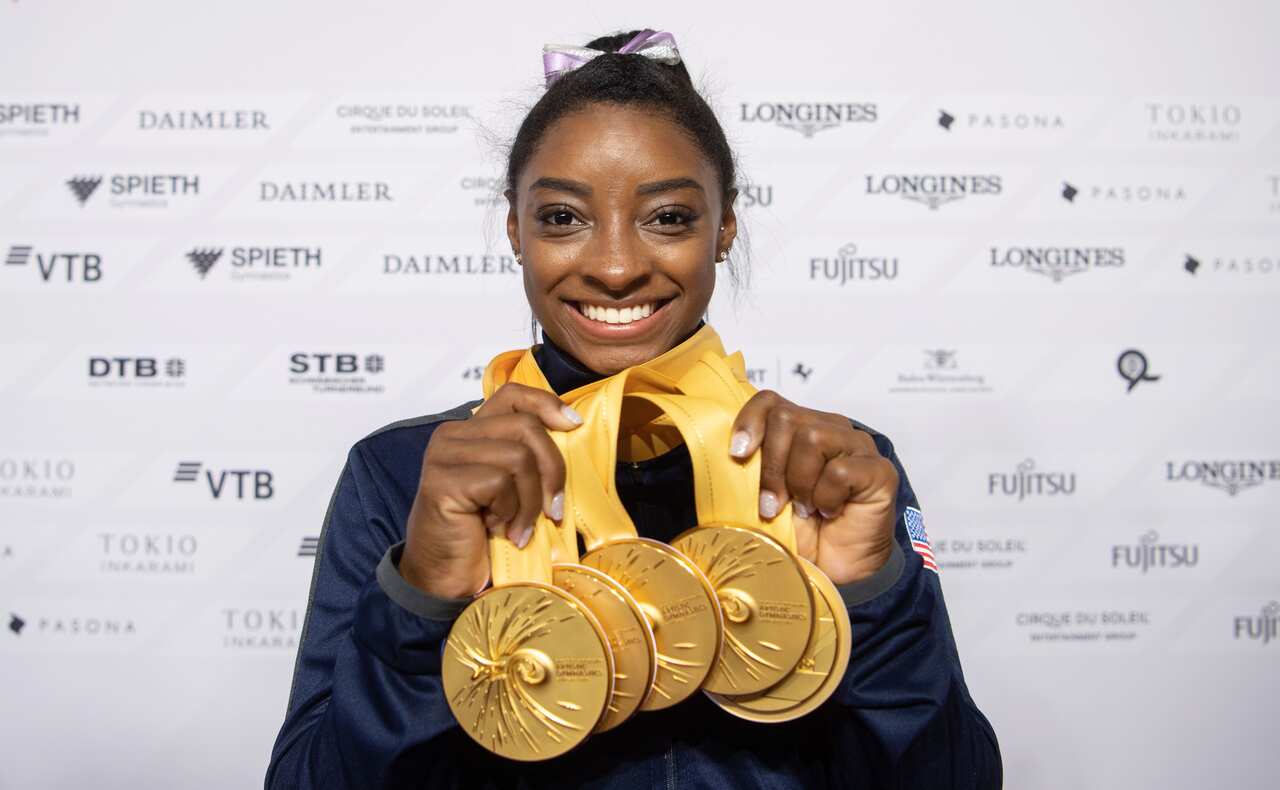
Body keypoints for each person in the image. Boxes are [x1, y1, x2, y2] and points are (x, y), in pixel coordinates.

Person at [265, 28, 1002, 790]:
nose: (616, 267)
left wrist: (868, 593)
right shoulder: (406, 474)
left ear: (725, 229)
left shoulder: (830, 470)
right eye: (562, 218)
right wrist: (422, 601)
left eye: (669, 218)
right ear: (515, 231)